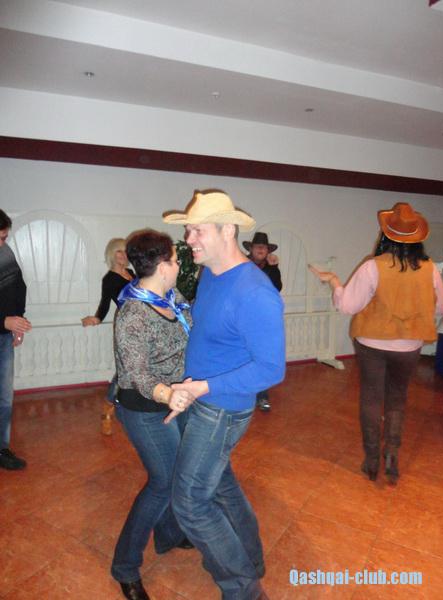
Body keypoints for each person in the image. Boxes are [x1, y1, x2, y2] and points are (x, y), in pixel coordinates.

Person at [163, 190, 286, 600]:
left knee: (190, 502)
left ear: (227, 230)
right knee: (221, 487)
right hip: (199, 399)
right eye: (188, 231)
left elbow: (271, 369)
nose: (189, 240)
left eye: (198, 231)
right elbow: (211, 334)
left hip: (221, 409)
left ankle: (244, 589)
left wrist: (204, 386)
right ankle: (250, 559)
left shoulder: (255, 292)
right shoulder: (211, 274)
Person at [309, 202, 443, 485]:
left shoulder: (373, 266)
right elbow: (442, 307)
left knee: (372, 398)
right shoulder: (429, 269)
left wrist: (334, 282)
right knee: (397, 399)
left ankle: (372, 459)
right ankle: (392, 457)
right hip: (409, 346)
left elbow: (348, 306)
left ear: (386, 235)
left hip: (371, 343)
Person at [110, 229, 194, 600]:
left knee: (178, 473)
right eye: (175, 260)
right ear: (162, 266)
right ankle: (125, 567)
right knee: (163, 482)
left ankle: (169, 533)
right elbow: (137, 374)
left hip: (180, 399)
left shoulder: (174, 298)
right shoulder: (133, 312)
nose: (178, 266)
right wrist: (169, 394)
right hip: (144, 408)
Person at [81, 238, 134, 434]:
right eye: (119, 251)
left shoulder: (132, 273)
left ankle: (127, 410)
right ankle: (108, 407)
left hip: (142, 323)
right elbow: (104, 304)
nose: (123, 255)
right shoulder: (109, 279)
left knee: (135, 368)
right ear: (112, 254)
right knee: (125, 368)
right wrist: (96, 318)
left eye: (125, 251)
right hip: (125, 324)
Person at [0, 209, 32, 470]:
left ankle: (1, 449)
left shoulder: (5, 253)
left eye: (4, 237)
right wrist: (4, 322)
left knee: (4, 398)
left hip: (3, 338)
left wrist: (17, 322)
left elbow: (18, 288)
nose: (3, 243)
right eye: (0, 238)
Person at [243, 231, 283, 411]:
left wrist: (274, 268)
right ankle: (245, 394)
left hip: (262, 318)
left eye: (264, 247)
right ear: (251, 249)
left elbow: (277, 287)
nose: (261, 249)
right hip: (243, 317)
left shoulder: (271, 267)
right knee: (243, 356)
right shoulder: (242, 264)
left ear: (268, 251)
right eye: (257, 246)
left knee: (261, 357)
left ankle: (262, 396)